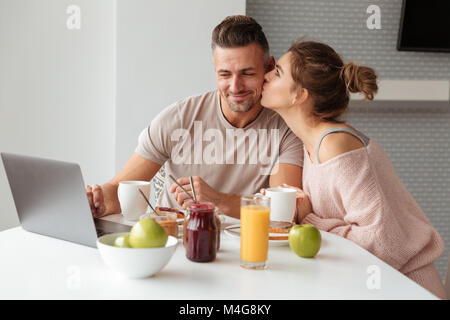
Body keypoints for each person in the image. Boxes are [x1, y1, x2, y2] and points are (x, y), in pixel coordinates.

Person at [260, 40, 447, 299]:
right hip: (371, 285)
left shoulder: (336, 146)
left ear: (299, 95)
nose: (266, 76)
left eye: (277, 72)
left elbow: (383, 242)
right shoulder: (311, 142)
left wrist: (310, 220)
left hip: (407, 288)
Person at [85, 15, 304, 220]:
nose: (235, 86)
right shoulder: (178, 118)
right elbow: (117, 190)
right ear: (215, 69)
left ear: (268, 67)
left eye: (247, 73)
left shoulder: (286, 129)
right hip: (174, 243)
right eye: (225, 74)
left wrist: (218, 200)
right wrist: (95, 200)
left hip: (244, 250)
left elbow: (282, 214)